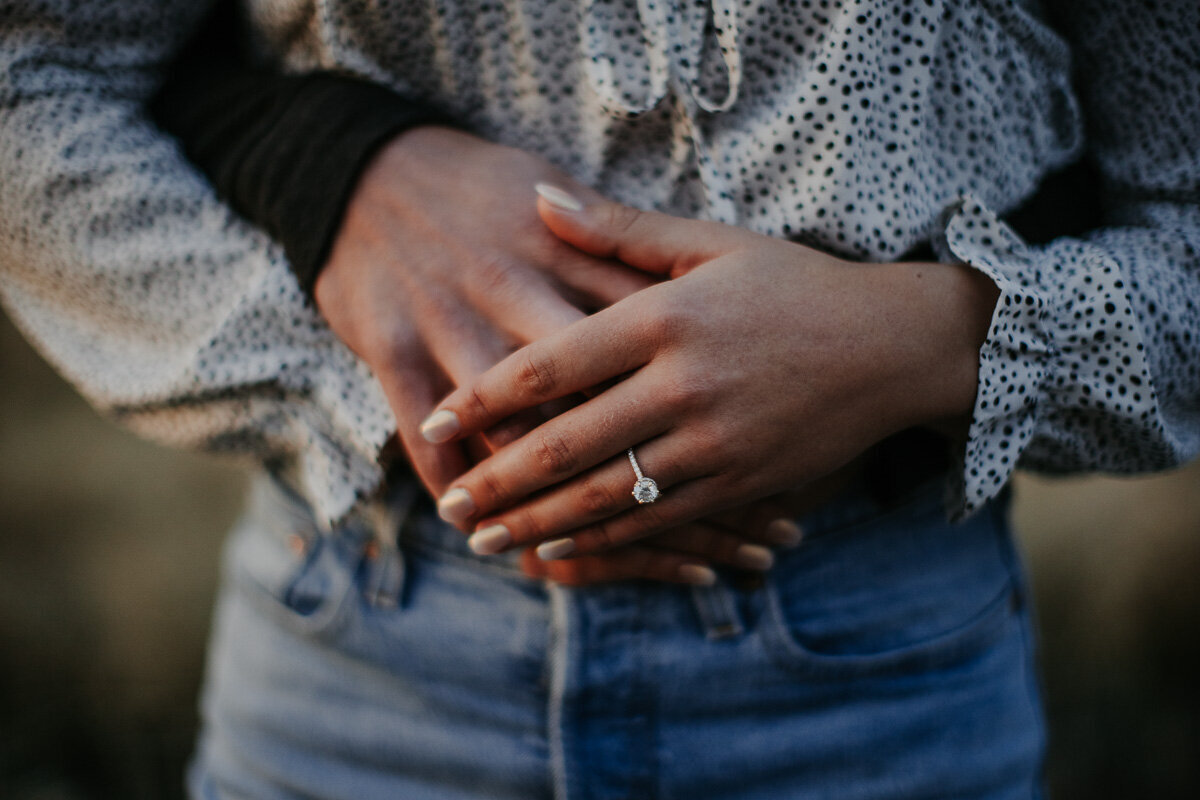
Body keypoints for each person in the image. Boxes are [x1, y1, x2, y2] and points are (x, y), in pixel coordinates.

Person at [2, 0, 1197, 797]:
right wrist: (335, 176)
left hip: (876, 679)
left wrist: (913, 342)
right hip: (361, 666)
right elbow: (30, 76)